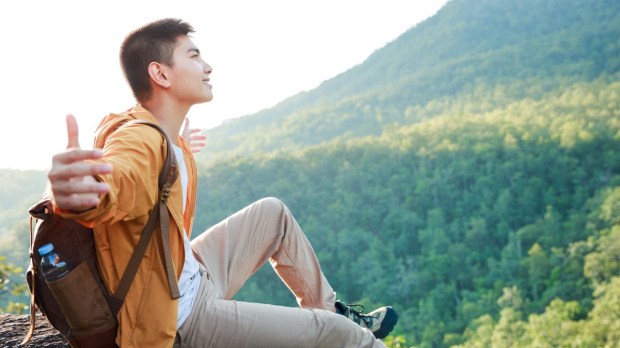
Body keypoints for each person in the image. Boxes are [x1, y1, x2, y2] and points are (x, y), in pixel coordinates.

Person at [47, 18, 398, 348]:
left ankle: (329, 308)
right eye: (194, 56)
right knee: (344, 337)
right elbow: (120, 180)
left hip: (187, 273)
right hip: (180, 316)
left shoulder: (161, 133)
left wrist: (179, 149)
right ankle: (346, 330)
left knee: (271, 213)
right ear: (160, 73)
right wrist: (79, 192)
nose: (207, 66)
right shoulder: (139, 139)